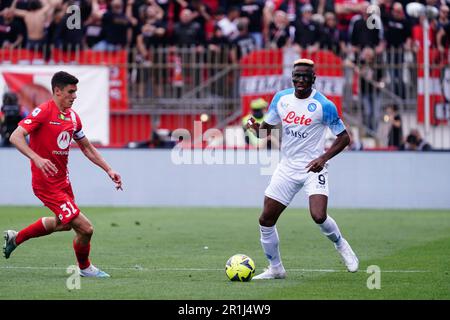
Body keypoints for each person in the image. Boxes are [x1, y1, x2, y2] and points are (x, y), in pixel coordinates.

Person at [246, 58, 359, 279]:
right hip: (286, 168)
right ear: (292, 77)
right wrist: (254, 128)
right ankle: (276, 269)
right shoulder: (281, 99)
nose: (300, 80)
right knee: (266, 219)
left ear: (313, 79)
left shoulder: (324, 105)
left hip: (313, 169)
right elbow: (264, 131)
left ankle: (341, 245)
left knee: (318, 215)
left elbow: (344, 138)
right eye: (297, 75)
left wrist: (323, 157)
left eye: (305, 76)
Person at [3, 71, 123, 278]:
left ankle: (16, 238)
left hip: (63, 181)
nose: (74, 96)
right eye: (71, 92)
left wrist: (108, 169)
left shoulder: (73, 117)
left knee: (65, 224)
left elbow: (86, 148)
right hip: (46, 183)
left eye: (76, 92)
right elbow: (16, 136)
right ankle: (85, 268)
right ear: (57, 91)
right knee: (86, 228)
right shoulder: (42, 112)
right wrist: (36, 158)